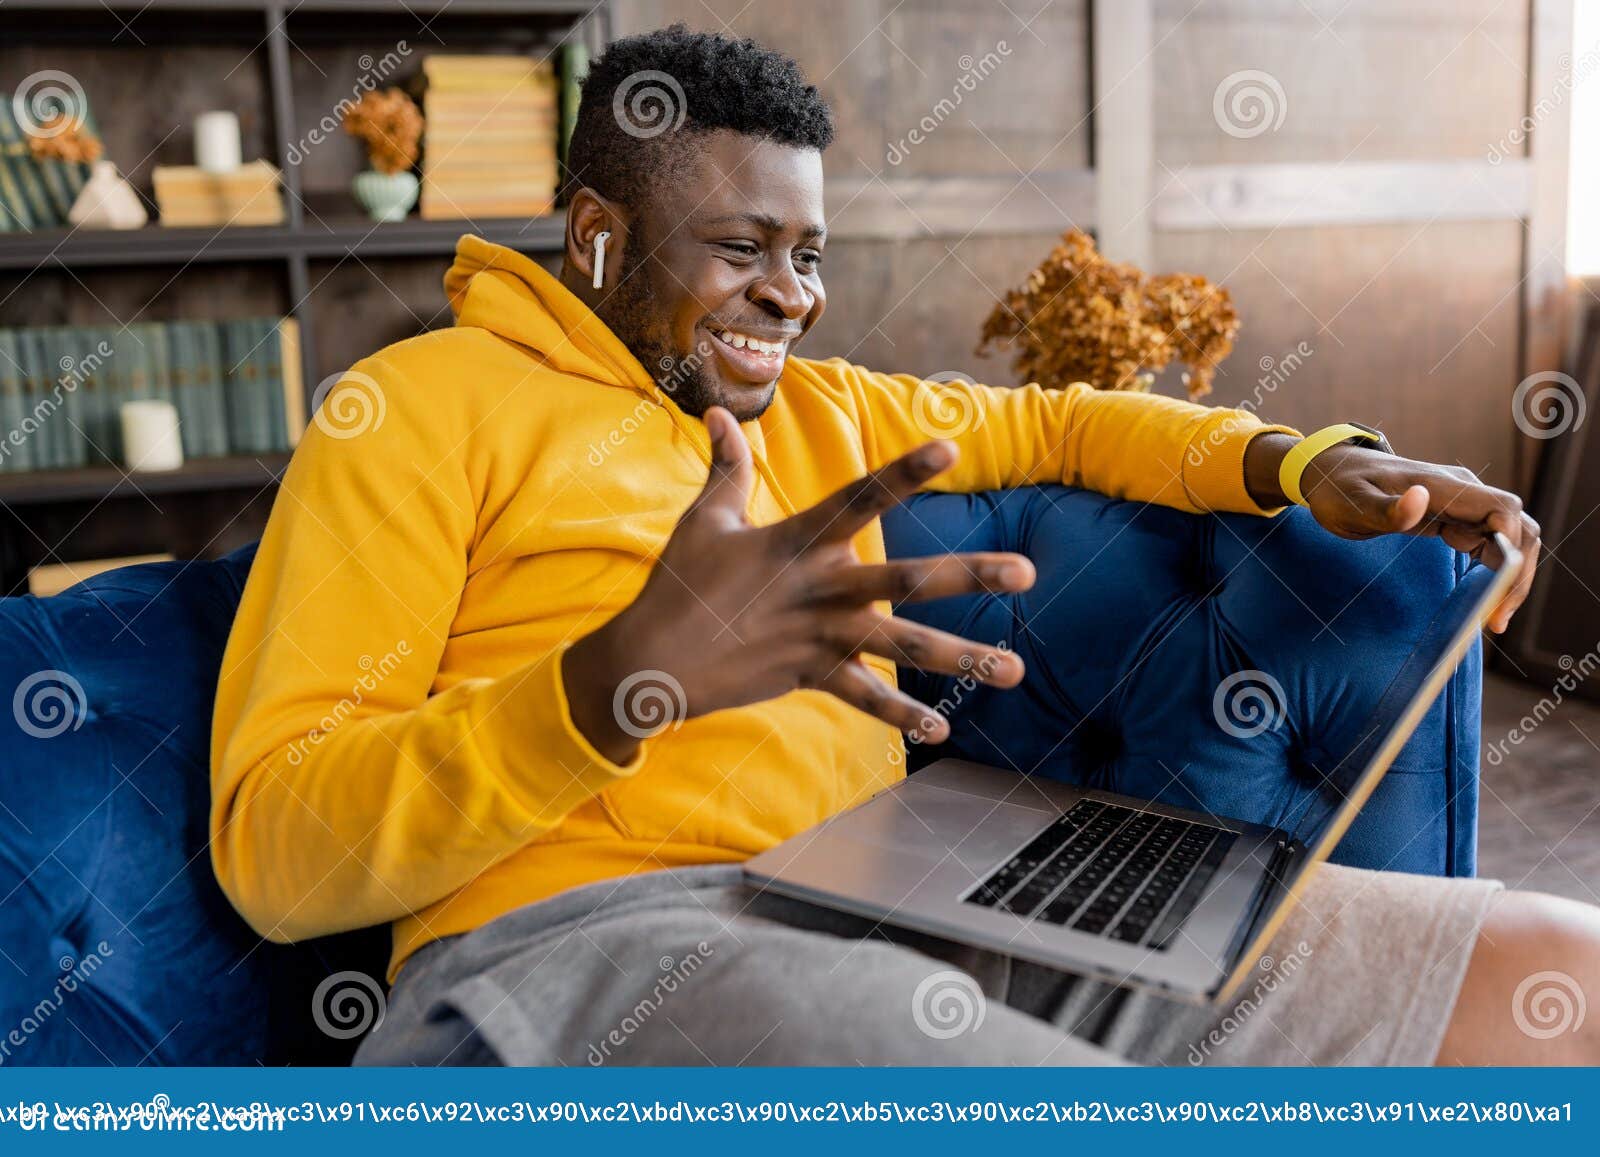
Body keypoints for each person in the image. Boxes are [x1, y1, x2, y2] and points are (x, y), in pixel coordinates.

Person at [210, 26, 1596, 1067]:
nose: (792, 295)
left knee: (1556, 972)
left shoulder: (829, 406)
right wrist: (610, 685)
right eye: (742, 246)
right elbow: (276, 854)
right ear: (593, 236)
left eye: (808, 252)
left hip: (915, 897)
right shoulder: (419, 405)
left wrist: (1305, 463)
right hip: (585, 955)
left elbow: (1063, 424)